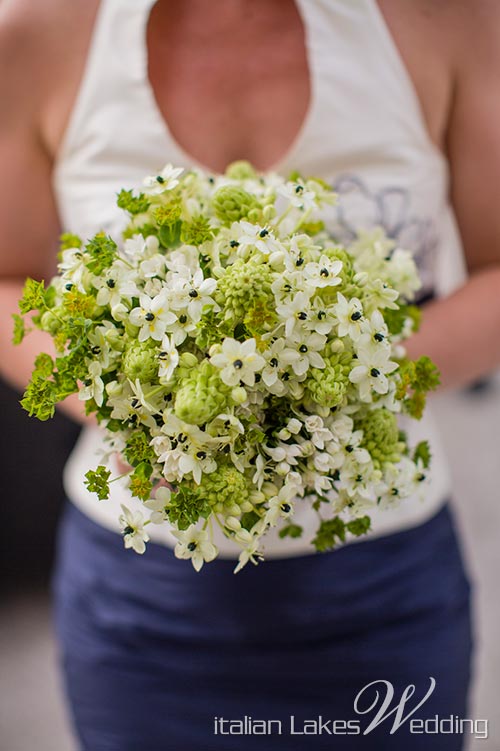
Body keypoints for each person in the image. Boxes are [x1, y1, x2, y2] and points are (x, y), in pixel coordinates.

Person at [1, 0, 499, 748]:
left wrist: (342, 380)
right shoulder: (41, 31)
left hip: (380, 592)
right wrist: (144, 410)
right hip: (146, 606)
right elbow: (7, 282)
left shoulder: (445, 19)